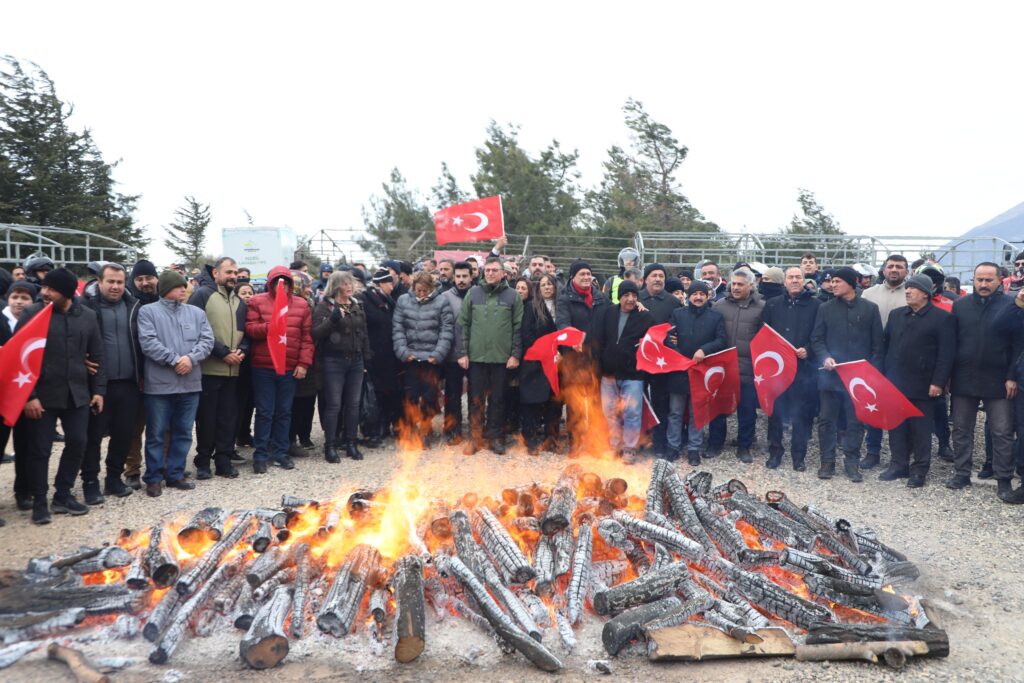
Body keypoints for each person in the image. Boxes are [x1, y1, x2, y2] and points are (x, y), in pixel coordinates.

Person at [16, 268, 106, 524]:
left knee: (78, 442)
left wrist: (98, 391)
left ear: (65, 293)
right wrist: (29, 396)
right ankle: (40, 502)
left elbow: (98, 356)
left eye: (50, 289)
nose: (43, 292)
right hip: (42, 396)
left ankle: (63, 495)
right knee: (40, 450)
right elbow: (19, 357)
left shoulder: (88, 317)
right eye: (44, 288)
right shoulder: (32, 314)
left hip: (77, 394)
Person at [947, 262, 1021, 499]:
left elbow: (1018, 346)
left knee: (1001, 431)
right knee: (961, 429)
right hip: (964, 376)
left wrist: (1012, 376)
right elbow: (951, 343)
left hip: (999, 379)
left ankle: (1003, 478)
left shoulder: (1012, 305)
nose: (983, 284)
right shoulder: (960, 306)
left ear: (1000, 280)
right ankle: (961, 472)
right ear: (973, 279)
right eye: (979, 279)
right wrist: (947, 376)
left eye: (989, 280)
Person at [137, 269, 213, 496]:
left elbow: (207, 340)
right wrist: (173, 360)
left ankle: (175, 474)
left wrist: (191, 359)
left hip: (190, 385)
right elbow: (148, 342)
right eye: (179, 286)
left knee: (183, 432)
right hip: (159, 385)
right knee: (156, 433)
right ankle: (153, 477)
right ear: (167, 288)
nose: (184, 289)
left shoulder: (196, 313)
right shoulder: (147, 312)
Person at [879, 275, 954, 488]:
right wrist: (883, 377)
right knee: (896, 426)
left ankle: (920, 469)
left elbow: (945, 355)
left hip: (924, 384)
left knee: (921, 429)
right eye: (907, 288)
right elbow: (886, 346)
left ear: (925, 293)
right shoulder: (896, 315)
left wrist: (938, 382)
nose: (908, 291)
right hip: (895, 382)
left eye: (912, 288)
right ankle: (898, 465)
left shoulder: (942, 318)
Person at [811, 267, 883, 482]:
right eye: (831, 281)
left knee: (856, 421)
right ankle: (827, 461)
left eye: (837, 281)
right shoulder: (825, 308)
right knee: (826, 421)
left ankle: (852, 463)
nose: (832, 285)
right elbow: (817, 339)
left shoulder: (870, 309)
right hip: (830, 376)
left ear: (852, 283)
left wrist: (871, 374)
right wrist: (825, 357)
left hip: (859, 380)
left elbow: (878, 346)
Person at [81, 264, 143, 503]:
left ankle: (114, 479)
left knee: (123, 434)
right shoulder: (86, 307)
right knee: (93, 437)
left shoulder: (133, 307)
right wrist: (80, 361)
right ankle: (90, 482)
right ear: (99, 281)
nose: (116, 286)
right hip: (98, 385)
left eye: (120, 282)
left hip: (128, 382)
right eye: (111, 281)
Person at [245, 266, 314, 474]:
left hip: (289, 367)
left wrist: (303, 364)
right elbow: (250, 328)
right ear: (271, 282)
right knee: (265, 412)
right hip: (263, 366)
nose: (280, 285)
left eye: (285, 281)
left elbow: (307, 338)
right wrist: (270, 327)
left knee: (284, 412)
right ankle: (260, 455)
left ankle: (281, 453)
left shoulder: (301, 305)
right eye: (277, 281)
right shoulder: (257, 301)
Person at [188, 257, 247, 480]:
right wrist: (223, 352)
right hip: (209, 371)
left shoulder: (240, 302)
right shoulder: (202, 295)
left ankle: (223, 461)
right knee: (207, 420)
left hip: (233, 372)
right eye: (228, 272)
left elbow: (246, 333)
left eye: (235, 272)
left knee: (228, 419)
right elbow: (195, 330)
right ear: (216, 274)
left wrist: (243, 350)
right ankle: (203, 461)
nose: (233, 276)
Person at [459, 257, 524, 454]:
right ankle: (475, 438)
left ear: (503, 273)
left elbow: (518, 328)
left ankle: (496, 438)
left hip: (501, 359)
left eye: (494, 270)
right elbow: (463, 325)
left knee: (498, 400)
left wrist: (515, 354)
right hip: (477, 357)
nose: (490, 273)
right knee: (475, 400)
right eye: (487, 270)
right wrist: (463, 353)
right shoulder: (473, 293)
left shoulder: (513, 296)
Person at [762, 267, 821, 471]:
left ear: (804, 280)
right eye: (791, 277)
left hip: (804, 370)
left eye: (798, 277)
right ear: (784, 282)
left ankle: (799, 456)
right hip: (777, 371)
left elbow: (819, 335)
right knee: (776, 413)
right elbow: (763, 333)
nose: (795, 280)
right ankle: (775, 452)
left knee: (802, 415)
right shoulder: (772, 305)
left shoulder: (816, 306)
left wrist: (809, 350)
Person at [665, 281, 727, 464]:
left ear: (707, 296)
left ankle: (694, 448)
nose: (698, 297)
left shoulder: (715, 317)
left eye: (702, 294)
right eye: (694, 294)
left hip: (702, 371)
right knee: (675, 412)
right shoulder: (677, 314)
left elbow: (722, 340)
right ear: (688, 296)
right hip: (679, 370)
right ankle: (673, 446)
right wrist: (677, 353)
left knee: (696, 413)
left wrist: (704, 350)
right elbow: (667, 337)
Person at [591, 280, 654, 462]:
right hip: (608, 373)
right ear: (620, 297)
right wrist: (599, 364)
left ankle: (630, 447)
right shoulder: (607, 313)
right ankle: (614, 444)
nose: (631, 299)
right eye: (626, 295)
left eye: (634, 295)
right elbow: (598, 339)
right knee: (609, 411)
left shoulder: (645, 317)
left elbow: (656, 340)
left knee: (632, 412)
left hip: (633, 374)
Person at [313, 271, 371, 462]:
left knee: (353, 404)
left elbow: (363, 333)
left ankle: (351, 443)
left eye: (351, 283)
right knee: (334, 405)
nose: (349, 287)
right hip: (334, 362)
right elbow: (316, 333)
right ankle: (330, 446)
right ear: (336, 286)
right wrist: (334, 319)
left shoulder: (356, 305)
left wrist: (366, 357)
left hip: (355, 361)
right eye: (345, 284)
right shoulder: (325, 307)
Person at [708, 268, 764, 462]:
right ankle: (715, 444)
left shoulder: (762, 308)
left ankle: (744, 447)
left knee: (747, 411)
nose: (736, 287)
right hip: (723, 368)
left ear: (751, 285)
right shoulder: (718, 306)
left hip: (748, 369)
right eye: (734, 284)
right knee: (719, 409)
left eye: (741, 284)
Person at [860, 254, 910, 469]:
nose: (894, 270)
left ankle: (901, 455)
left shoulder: (912, 293)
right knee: (874, 403)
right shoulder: (868, 294)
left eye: (899, 267)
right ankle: (872, 451)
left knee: (898, 405)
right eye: (890, 266)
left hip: (901, 358)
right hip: (873, 355)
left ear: (906, 271)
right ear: (883, 270)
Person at [393, 270, 454, 445]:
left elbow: (446, 330)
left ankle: (426, 430)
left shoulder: (441, 302)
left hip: (431, 358)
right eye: (418, 290)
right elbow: (398, 329)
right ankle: (410, 430)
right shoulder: (403, 301)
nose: (421, 294)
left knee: (429, 397)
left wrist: (438, 354)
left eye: (425, 290)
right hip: (410, 357)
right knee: (410, 395)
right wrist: (403, 352)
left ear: (431, 288)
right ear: (413, 287)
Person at [556, 260, 609, 455]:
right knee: (574, 403)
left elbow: (612, 316)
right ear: (573, 277)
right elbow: (562, 323)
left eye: (588, 274)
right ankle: (575, 443)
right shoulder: (564, 298)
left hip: (596, 358)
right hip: (574, 359)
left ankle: (596, 443)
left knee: (596, 402)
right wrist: (573, 338)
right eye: (582, 274)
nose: (586, 277)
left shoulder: (600, 297)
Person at [123, 259, 160, 489]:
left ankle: (161, 466)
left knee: (161, 426)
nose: (145, 282)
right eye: (140, 279)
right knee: (134, 428)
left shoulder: (165, 300)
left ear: (156, 278)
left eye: (149, 278)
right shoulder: (128, 305)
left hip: (162, 374)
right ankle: (132, 470)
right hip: (135, 375)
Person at [639, 263, 681, 457]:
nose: (658, 279)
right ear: (645, 279)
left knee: (660, 404)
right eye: (654, 275)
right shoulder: (636, 298)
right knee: (638, 401)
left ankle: (659, 444)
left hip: (662, 362)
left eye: (661, 276)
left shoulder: (672, 302)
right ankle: (640, 441)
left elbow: (677, 327)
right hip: (639, 359)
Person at [520, 273, 562, 454]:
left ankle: (551, 439)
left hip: (558, 362)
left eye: (550, 284)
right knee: (533, 401)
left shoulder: (562, 308)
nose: (547, 287)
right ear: (538, 288)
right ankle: (531, 439)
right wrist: (545, 351)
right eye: (543, 284)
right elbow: (526, 334)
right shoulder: (531, 307)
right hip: (536, 361)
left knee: (555, 402)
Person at [359, 269, 400, 445]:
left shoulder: (389, 301)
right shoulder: (365, 301)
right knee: (375, 394)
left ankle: (387, 425)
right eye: (389, 283)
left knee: (389, 391)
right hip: (373, 355)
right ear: (380, 284)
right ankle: (373, 429)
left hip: (389, 356)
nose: (392, 286)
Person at [441, 262, 472, 444]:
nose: (461, 280)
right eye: (458, 276)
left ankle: (476, 431)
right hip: (452, 355)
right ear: (454, 277)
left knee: (475, 395)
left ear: (471, 277)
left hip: (475, 355)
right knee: (452, 395)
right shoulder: (444, 297)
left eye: (464, 276)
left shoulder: (478, 295)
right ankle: (453, 430)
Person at [234, 282, 256, 449]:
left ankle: (245, 434)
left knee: (250, 402)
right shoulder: (235, 312)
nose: (248, 295)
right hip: (239, 361)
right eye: (243, 293)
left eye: (250, 292)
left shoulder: (256, 312)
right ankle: (234, 436)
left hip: (254, 364)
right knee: (238, 403)